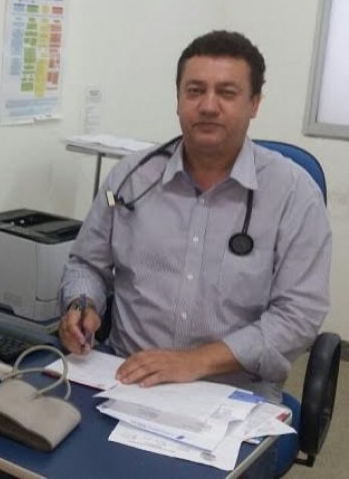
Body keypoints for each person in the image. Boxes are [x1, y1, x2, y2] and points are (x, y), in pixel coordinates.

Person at [58, 30, 331, 405]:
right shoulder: (130, 178)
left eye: (227, 93)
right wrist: (81, 304)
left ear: (254, 103)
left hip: (233, 393)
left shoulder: (295, 195)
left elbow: (298, 315)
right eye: (195, 91)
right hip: (126, 376)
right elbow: (87, 264)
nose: (208, 106)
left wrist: (195, 362)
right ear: (178, 100)